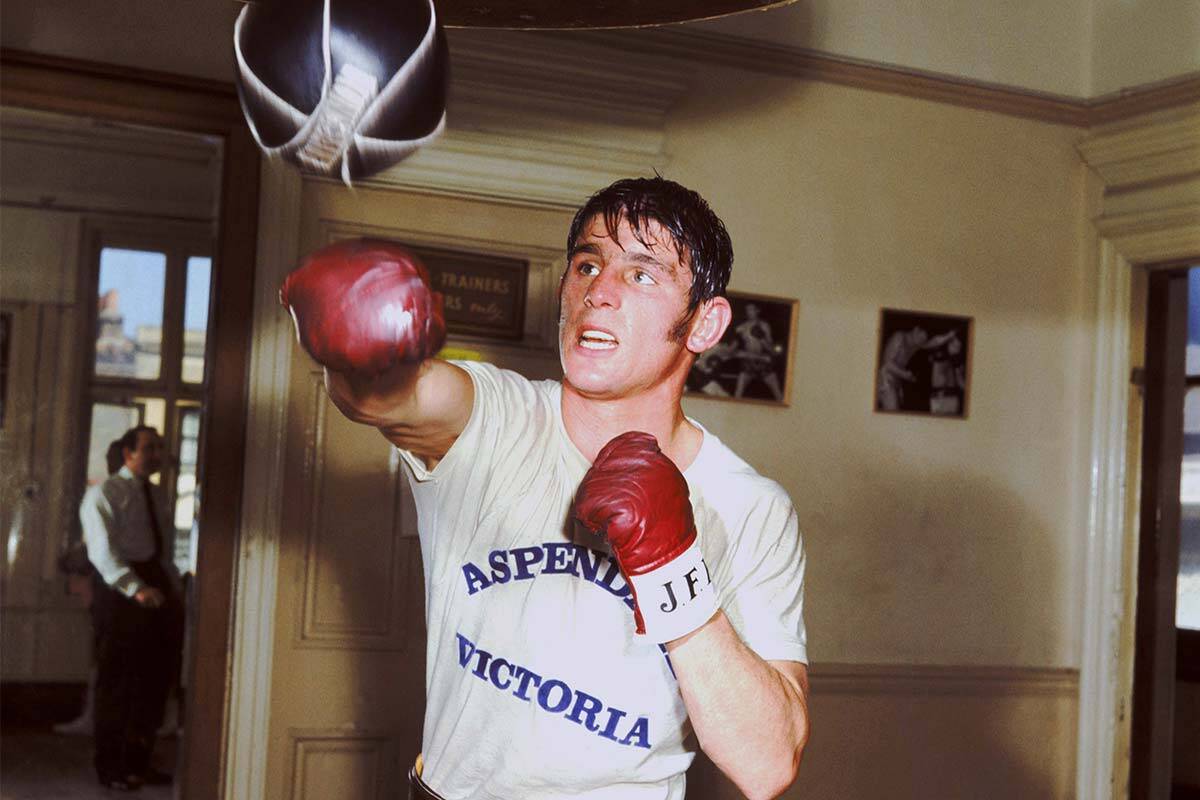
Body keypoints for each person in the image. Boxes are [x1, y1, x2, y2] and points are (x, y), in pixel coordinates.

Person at [282, 177, 810, 799]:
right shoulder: (499, 420)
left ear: (704, 322)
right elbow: (397, 400)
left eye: (641, 275)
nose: (600, 292)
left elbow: (767, 763)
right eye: (588, 265)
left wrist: (673, 566)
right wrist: (359, 350)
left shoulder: (751, 506)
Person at [78, 425, 183, 791]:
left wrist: (170, 586)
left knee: (152, 682)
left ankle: (139, 763)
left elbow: (163, 548)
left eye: (159, 448)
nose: (156, 455)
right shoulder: (104, 493)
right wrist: (136, 589)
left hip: (154, 586)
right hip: (120, 591)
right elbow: (103, 552)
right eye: (148, 448)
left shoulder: (157, 495)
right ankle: (110, 768)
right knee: (117, 682)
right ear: (127, 454)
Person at [875, 324, 957, 412]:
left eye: (923, 341)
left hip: (896, 380)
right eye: (921, 339)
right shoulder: (899, 337)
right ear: (916, 329)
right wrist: (905, 375)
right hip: (885, 378)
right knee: (892, 412)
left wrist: (949, 336)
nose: (921, 342)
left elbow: (935, 342)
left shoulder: (916, 343)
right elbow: (887, 363)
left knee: (895, 411)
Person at [732, 303, 785, 401]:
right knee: (737, 394)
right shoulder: (741, 328)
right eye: (747, 310)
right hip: (748, 362)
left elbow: (771, 350)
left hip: (763, 362)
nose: (749, 312)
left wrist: (761, 338)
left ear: (757, 311)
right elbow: (733, 349)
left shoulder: (764, 326)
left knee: (779, 396)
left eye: (751, 310)